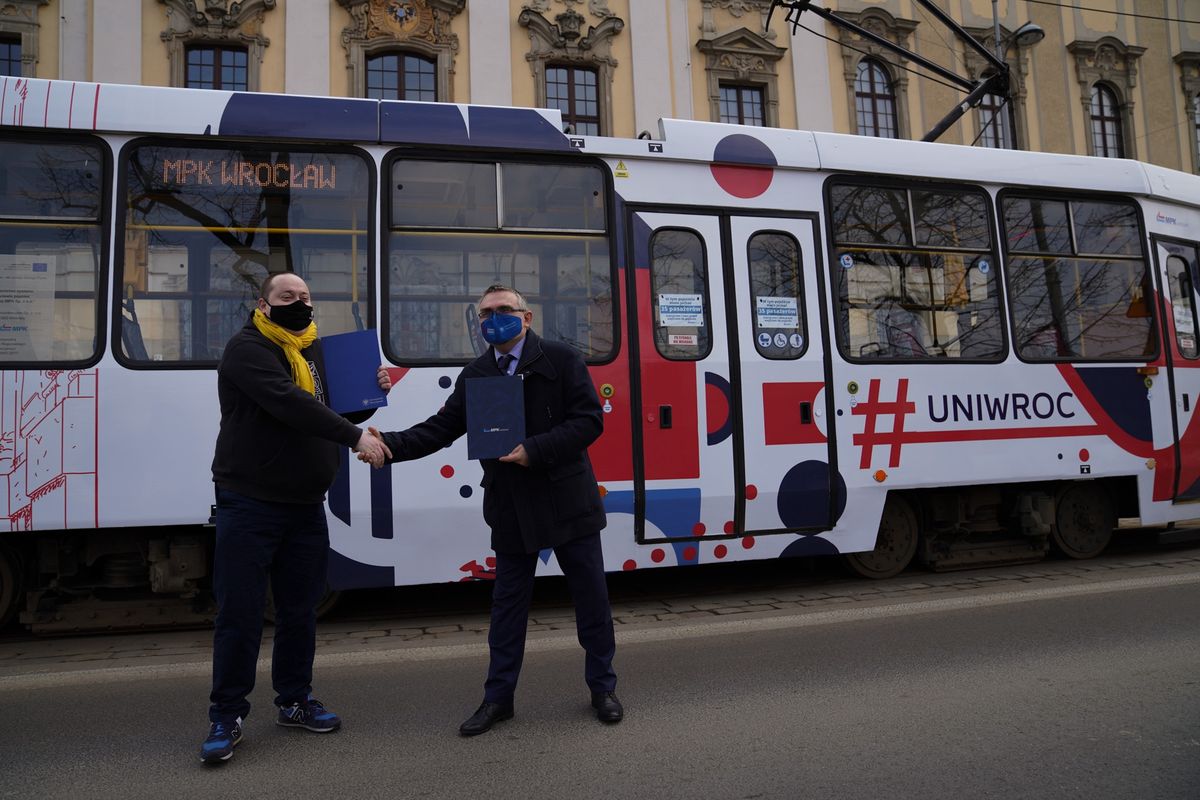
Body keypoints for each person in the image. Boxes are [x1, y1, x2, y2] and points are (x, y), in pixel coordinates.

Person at [366, 284, 622, 735]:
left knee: (591, 602)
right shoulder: (477, 373)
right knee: (507, 609)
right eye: (485, 313)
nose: (493, 318)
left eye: (504, 310)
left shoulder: (561, 360)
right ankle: (497, 699)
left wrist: (533, 450)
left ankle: (603, 688)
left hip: (567, 500)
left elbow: (588, 422)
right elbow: (441, 429)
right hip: (510, 505)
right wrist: (388, 445)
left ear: (526, 318)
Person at [201, 272, 391, 764]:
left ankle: (294, 700)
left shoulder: (314, 350)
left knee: (299, 610)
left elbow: (327, 410)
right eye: (288, 297)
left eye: (306, 296)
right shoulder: (247, 350)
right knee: (240, 613)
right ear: (262, 304)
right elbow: (291, 404)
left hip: (306, 503)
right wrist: (356, 439)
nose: (300, 303)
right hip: (250, 501)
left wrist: (366, 395)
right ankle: (226, 714)